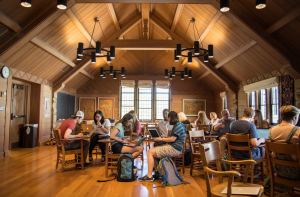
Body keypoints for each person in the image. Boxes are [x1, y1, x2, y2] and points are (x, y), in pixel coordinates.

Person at [139, 111, 186, 182]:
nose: (168, 120)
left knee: (150, 152)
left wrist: (161, 138)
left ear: (170, 118)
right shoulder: (179, 124)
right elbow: (174, 137)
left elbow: (173, 139)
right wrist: (166, 137)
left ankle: (149, 176)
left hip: (174, 149)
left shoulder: (177, 126)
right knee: (153, 153)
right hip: (176, 148)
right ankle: (158, 172)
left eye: (168, 118)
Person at [268, 105, 300, 180]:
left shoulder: (271, 130)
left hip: (278, 169)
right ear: (293, 117)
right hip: (296, 172)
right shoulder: (298, 131)